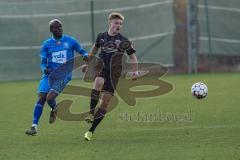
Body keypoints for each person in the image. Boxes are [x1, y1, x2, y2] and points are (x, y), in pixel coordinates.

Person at [25, 19, 88, 136]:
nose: (59, 29)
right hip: (49, 75)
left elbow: (82, 51)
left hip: (64, 75)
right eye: (56, 27)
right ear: (51, 30)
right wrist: (44, 68)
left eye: (60, 27)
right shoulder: (47, 44)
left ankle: (54, 108)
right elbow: (43, 62)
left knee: (49, 98)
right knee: (41, 97)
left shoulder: (70, 41)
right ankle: (34, 127)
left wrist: (85, 56)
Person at [83, 12, 139, 141]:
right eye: (116, 23)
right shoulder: (101, 36)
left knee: (105, 103)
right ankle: (91, 113)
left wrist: (135, 71)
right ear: (110, 23)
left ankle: (91, 131)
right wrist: (88, 63)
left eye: (120, 24)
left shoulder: (124, 40)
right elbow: (94, 48)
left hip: (114, 73)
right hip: (102, 66)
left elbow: (132, 56)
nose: (118, 25)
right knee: (98, 82)